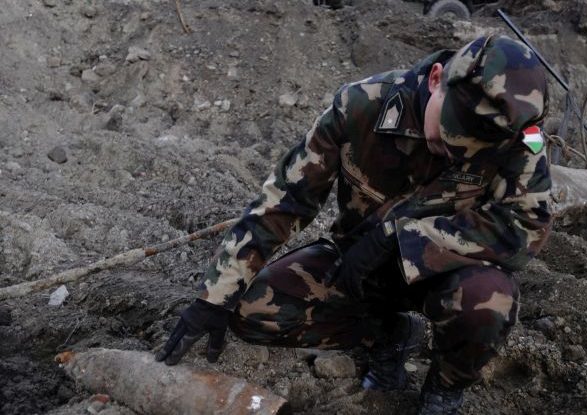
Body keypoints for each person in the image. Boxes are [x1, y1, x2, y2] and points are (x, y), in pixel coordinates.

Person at [155, 34, 552, 414]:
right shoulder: (362, 104)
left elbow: (527, 227)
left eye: (471, 145)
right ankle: (390, 335)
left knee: (489, 299)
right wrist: (214, 296)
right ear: (435, 79)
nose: (452, 149)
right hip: (358, 269)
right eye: (450, 130)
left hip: (445, 276)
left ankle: (444, 390)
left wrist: (402, 239)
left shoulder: (521, 139)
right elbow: (286, 200)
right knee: (254, 309)